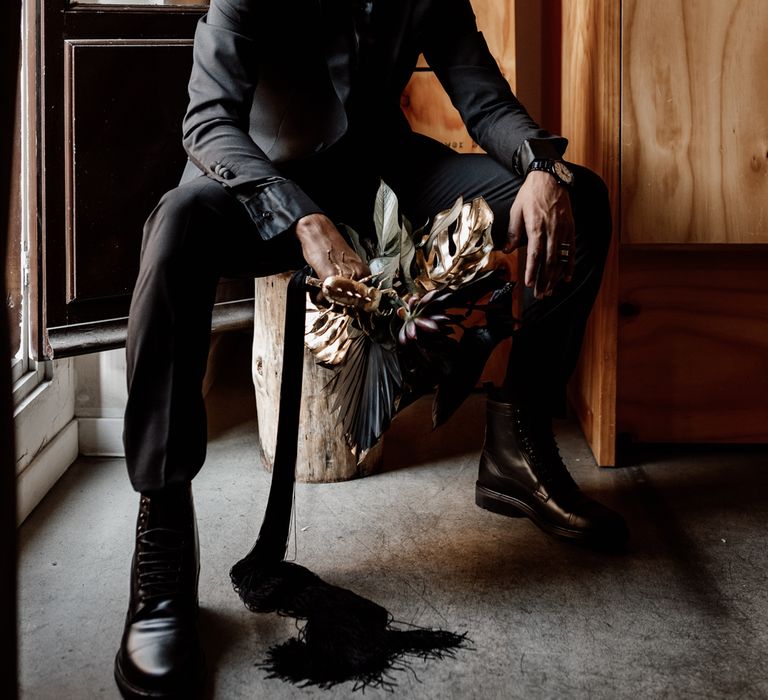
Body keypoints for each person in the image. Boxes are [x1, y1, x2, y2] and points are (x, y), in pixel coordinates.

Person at [114, 0, 629, 697]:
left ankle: (516, 447)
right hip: (266, 184)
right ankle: (165, 537)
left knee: (579, 198)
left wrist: (539, 164)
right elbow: (207, 121)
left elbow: (483, 99)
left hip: (381, 177)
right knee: (173, 228)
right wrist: (301, 215)